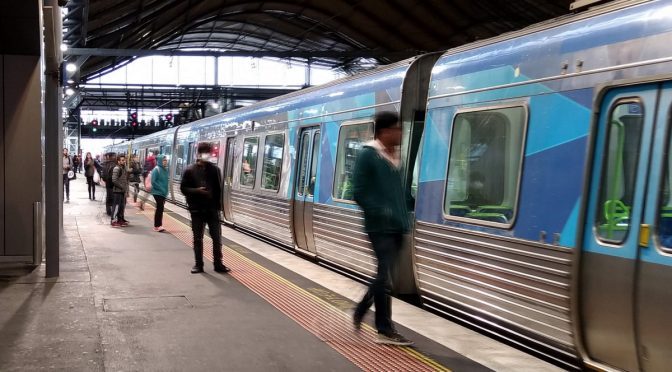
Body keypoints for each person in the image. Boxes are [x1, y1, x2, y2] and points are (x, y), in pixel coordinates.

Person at [351, 112, 413, 346]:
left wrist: (407, 205)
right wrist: (382, 212)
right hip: (379, 227)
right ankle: (384, 328)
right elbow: (358, 192)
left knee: (383, 277)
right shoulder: (369, 155)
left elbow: (400, 192)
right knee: (384, 276)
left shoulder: (396, 157)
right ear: (384, 132)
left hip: (398, 226)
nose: (400, 133)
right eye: (397, 129)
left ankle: (361, 309)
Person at [180, 143, 230, 274]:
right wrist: (198, 191)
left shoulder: (215, 170)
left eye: (208, 152)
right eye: (204, 152)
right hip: (196, 210)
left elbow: (219, 190)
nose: (207, 155)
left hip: (212, 210)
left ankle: (218, 264)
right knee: (198, 238)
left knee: (217, 238)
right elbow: (183, 189)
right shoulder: (189, 170)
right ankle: (198, 265)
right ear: (198, 154)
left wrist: (220, 210)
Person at [150, 155, 169, 232]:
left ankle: (158, 225)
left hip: (163, 193)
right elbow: (153, 181)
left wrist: (166, 191)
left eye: (166, 160)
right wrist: (161, 189)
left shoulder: (165, 170)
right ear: (160, 161)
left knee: (160, 208)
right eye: (164, 160)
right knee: (160, 208)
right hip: (157, 192)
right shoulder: (156, 169)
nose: (165, 162)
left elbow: (165, 182)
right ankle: (157, 226)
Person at [110, 153, 129, 227]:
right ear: (118, 161)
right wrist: (121, 187)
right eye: (122, 160)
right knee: (116, 206)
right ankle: (113, 221)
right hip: (117, 191)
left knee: (122, 206)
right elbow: (114, 180)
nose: (124, 161)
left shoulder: (123, 168)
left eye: (124, 160)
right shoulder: (117, 168)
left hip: (122, 191)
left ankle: (120, 220)